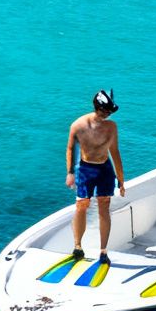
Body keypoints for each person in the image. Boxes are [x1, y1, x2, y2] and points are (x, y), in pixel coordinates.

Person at [65, 89, 124, 259]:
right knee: (82, 205)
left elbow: (115, 152)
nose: (107, 115)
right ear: (97, 107)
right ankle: (77, 245)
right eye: (105, 111)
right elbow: (70, 148)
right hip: (85, 169)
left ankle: (103, 249)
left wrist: (121, 179)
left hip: (104, 168)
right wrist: (70, 173)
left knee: (104, 206)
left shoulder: (111, 127)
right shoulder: (78, 125)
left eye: (109, 112)